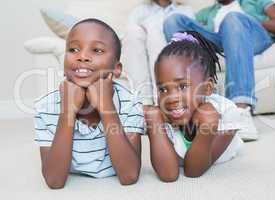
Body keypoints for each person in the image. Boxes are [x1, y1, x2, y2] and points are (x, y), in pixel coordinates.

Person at [34, 18, 145, 189]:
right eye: (74, 49)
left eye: (97, 50)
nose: (83, 56)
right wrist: (67, 112)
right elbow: (54, 181)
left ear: (117, 68)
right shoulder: (46, 107)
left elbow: (129, 175)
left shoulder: (130, 103)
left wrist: (107, 107)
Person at [163, 0, 275, 141]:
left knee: (233, 18)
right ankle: (197, 110)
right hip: (221, 41)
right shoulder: (207, 13)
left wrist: (247, 24)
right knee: (173, 20)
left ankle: (240, 110)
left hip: (253, 37)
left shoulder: (256, 2)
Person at [144, 31, 245, 182]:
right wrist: (154, 124)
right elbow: (168, 175)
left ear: (208, 88)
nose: (171, 98)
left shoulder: (226, 112)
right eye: (163, 89)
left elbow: (193, 171)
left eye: (183, 86)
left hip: (216, 155)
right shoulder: (163, 115)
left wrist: (208, 127)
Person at [122, 0, 194, 106]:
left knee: (154, 34)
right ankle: (143, 101)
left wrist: (151, 28)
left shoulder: (185, 10)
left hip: (172, 51)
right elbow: (129, 39)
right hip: (143, 51)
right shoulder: (139, 11)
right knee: (134, 33)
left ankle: (159, 100)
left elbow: (192, 38)